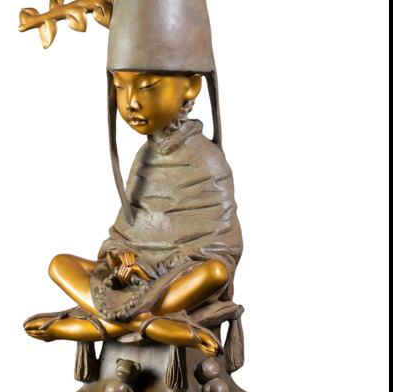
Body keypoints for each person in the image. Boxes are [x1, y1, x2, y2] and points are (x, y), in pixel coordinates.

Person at [24, 71, 243, 357]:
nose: (131, 103)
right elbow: (125, 231)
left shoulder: (208, 158)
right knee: (59, 264)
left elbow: (221, 247)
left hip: (175, 276)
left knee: (214, 273)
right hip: (133, 277)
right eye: (120, 87)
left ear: (191, 86)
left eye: (147, 87)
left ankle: (100, 324)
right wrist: (122, 256)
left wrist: (154, 271)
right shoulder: (144, 155)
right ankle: (150, 324)